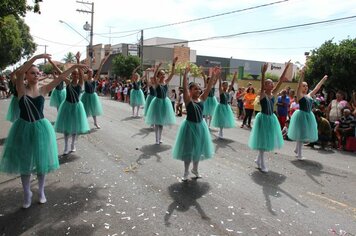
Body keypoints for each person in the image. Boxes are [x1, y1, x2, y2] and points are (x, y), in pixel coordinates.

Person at [0, 54, 85, 208]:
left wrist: (75, 67)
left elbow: (60, 78)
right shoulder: (21, 89)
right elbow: (18, 74)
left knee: (41, 162)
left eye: (38, 73)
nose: (36, 75)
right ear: (26, 75)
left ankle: (41, 190)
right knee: (25, 162)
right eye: (32, 72)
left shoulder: (44, 89)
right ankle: (27, 193)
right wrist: (37, 57)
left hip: (41, 129)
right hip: (23, 128)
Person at [172, 65, 218, 181]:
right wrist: (185, 75)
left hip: (200, 126)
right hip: (189, 126)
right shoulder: (188, 100)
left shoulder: (202, 99)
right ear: (190, 91)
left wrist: (213, 76)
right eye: (195, 89)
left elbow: (208, 88)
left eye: (199, 88)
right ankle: (186, 171)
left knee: (198, 149)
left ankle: (195, 169)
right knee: (188, 149)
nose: (198, 90)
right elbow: (185, 88)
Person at [248, 61, 290, 172]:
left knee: (266, 141)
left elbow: (281, 80)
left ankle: (258, 159)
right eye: (269, 83)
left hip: (271, 118)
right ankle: (262, 164)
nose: (272, 84)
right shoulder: (262, 94)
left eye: (272, 83)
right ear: (265, 86)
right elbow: (262, 86)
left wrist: (286, 68)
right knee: (263, 142)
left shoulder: (274, 94)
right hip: (263, 119)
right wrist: (263, 73)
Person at [288, 69, 328, 160]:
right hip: (302, 115)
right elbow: (298, 87)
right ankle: (299, 154)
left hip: (309, 115)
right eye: (303, 86)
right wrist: (302, 75)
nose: (305, 87)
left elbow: (317, 88)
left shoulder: (309, 95)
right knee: (301, 134)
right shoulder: (300, 95)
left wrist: (323, 79)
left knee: (302, 133)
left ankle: (296, 149)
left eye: (306, 86)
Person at [54, 54, 90, 155]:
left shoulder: (80, 83)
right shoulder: (68, 82)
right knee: (66, 128)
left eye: (77, 75)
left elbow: (82, 75)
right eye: (74, 74)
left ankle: (73, 144)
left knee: (75, 127)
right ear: (71, 75)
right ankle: (66, 146)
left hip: (77, 107)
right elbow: (61, 74)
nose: (75, 76)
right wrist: (52, 63)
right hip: (67, 106)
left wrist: (78, 61)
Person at [145, 57, 178, 144]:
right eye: (162, 74)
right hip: (158, 102)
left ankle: (160, 138)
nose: (164, 75)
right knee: (157, 122)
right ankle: (156, 139)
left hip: (165, 102)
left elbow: (172, 73)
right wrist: (157, 68)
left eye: (164, 74)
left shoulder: (166, 82)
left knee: (161, 122)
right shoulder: (156, 83)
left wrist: (174, 63)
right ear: (159, 75)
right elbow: (155, 77)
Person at [81, 55, 108, 128]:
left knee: (94, 110)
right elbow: (81, 73)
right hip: (86, 96)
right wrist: (81, 65)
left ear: (92, 73)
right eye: (89, 72)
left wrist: (102, 63)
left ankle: (95, 123)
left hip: (93, 96)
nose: (90, 73)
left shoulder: (94, 79)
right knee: (85, 110)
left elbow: (99, 71)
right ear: (87, 73)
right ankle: (83, 123)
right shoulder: (85, 79)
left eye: (91, 72)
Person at [211, 72, 237, 138]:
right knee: (221, 119)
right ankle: (221, 131)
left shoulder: (228, 92)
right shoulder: (221, 91)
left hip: (226, 107)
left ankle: (221, 131)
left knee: (224, 119)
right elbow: (219, 84)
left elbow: (232, 84)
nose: (226, 86)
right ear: (222, 86)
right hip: (221, 107)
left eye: (227, 85)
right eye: (225, 85)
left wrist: (234, 76)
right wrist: (219, 77)